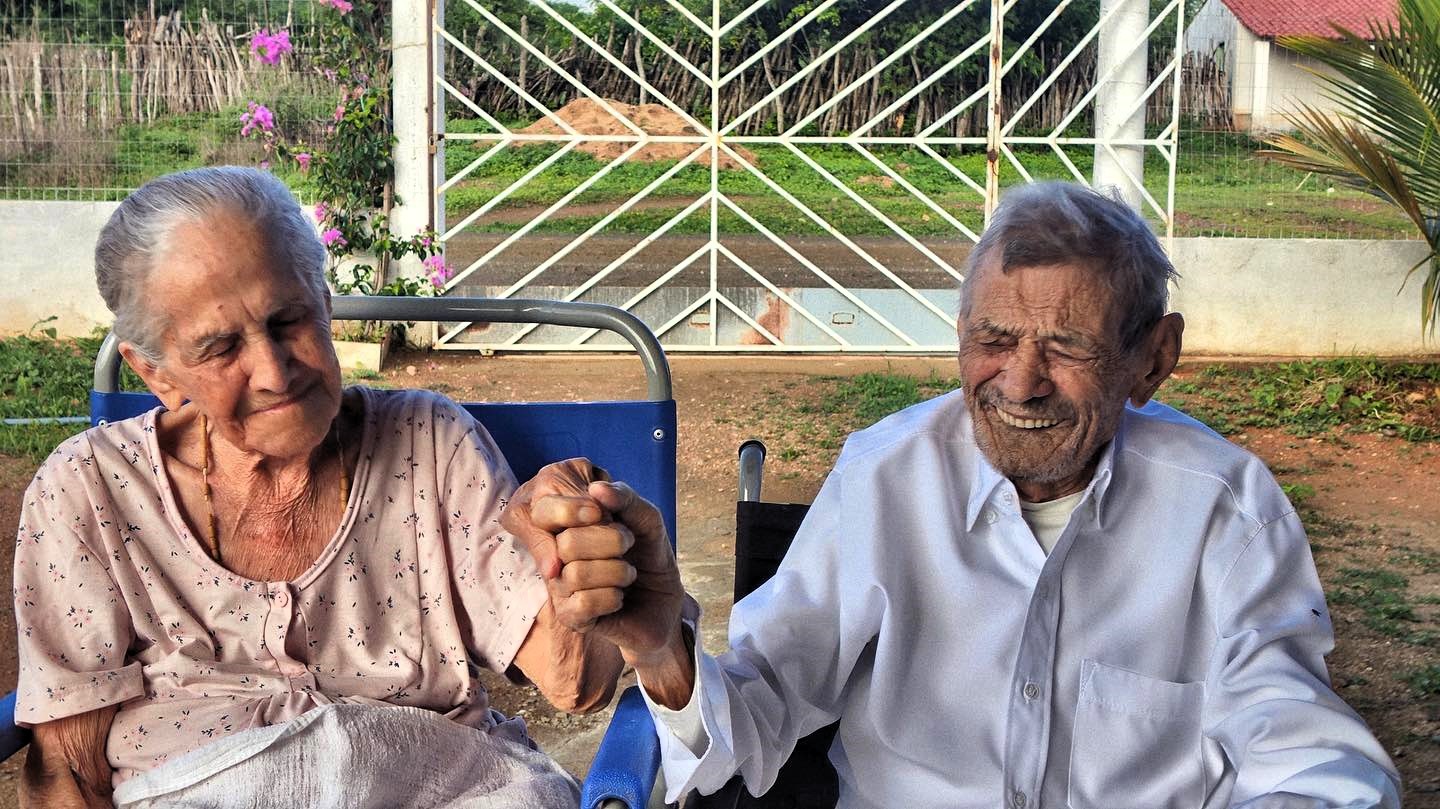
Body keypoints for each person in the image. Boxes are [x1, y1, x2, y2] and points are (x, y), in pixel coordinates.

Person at [507, 182, 1403, 808]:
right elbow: (758, 714)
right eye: (993, 337)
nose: (1019, 383)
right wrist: (665, 650)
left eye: (1067, 346)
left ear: (1151, 360)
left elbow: (1307, 755)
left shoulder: (1224, 510)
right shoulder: (886, 478)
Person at [13, 166, 623, 809]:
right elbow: (68, 771)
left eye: (289, 319)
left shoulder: (430, 442)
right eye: (221, 348)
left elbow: (572, 679)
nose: (275, 373)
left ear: (325, 303)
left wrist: (576, 553)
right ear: (158, 373)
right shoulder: (88, 490)